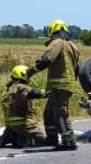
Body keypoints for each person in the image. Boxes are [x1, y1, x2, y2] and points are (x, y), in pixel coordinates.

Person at [27, 19, 80, 150]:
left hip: (59, 87)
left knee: (60, 115)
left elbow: (46, 60)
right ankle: (52, 139)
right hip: (64, 87)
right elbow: (77, 69)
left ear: (52, 33)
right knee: (49, 114)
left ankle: (69, 141)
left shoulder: (56, 43)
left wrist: (28, 73)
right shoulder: (74, 47)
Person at [0, 65, 48, 148]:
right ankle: (17, 139)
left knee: (22, 132)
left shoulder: (8, 89)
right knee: (46, 141)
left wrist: (31, 109)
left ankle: (11, 134)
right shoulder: (21, 87)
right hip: (24, 124)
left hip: (10, 124)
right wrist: (50, 92)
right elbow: (34, 93)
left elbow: (15, 105)